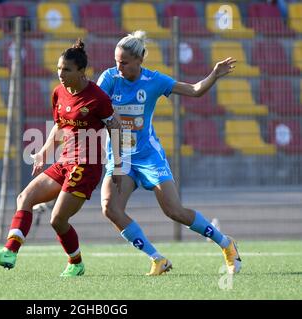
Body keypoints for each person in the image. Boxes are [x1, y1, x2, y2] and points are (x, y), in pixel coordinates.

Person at [97, 30, 242, 276]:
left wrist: (214, 75)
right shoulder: (109, 78)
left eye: (124, 62)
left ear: (139, 60)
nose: (118, 67)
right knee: (110, 208)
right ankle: (157, 259)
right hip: (121, 158)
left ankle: (226, 243)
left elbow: (195, 90)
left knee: (174, 211)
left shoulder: (155, 81)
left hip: (148, 156)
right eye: (116, 61)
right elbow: (94, 106)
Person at [0, 39, 123, 277]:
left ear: (81, 71)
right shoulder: (58, 93)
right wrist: (43, 153)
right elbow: (60, 127)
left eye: (66, 69)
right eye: (58, 68)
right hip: (64, 162)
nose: (60, 74)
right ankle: (10, 253)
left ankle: (76, 263)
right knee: (24, 197)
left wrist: (117, 165)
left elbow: (115, 128)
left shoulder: (97, 98)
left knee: (57, 219)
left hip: (86, 166)